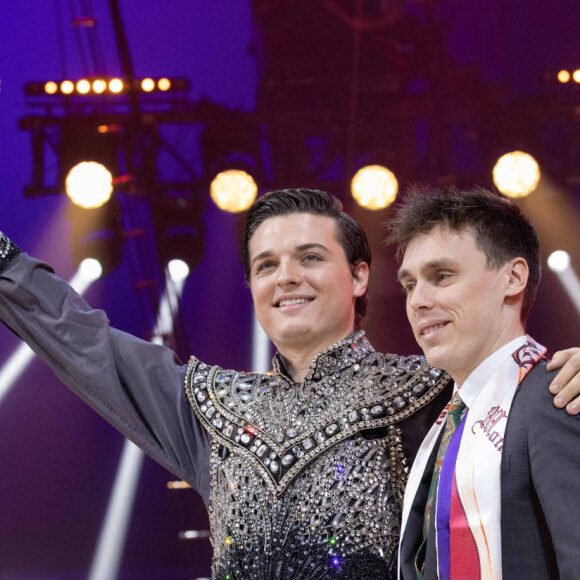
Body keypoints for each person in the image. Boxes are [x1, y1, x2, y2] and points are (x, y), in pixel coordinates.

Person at [0, 188, 578, 580]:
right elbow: (86, 344)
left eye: (308, 257)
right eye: (266, 265)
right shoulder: (212, 407)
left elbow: (515, 377)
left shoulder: (438, 392)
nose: (287, 278)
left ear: (358, 276)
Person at [390, 187, 580, 579]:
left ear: (512, 278)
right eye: (410, 285)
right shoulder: (440, 419)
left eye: (441, 276)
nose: (417, 301)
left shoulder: (557, 395)